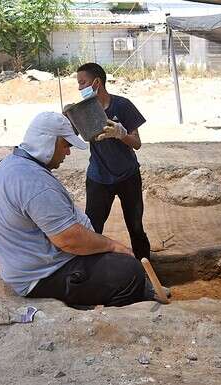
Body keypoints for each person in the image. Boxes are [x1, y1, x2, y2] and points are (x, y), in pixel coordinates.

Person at [0, 112, 158, 307]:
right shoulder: (34, 182)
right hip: (41, 276)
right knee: (129, 271)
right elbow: (69, 240)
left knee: (112, 260)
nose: (67, 153)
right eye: (66, 145)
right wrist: (114, 246)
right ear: (50, 142)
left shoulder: (14, 164)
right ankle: (109, 315)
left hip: (31, 265)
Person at [75, 62, 151, 260]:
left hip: (128, 176)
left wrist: (121, 133)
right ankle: (93, 272)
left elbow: (137, 144)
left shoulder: (122, 106)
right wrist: (67, 117)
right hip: (98, 178)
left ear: (97, 82)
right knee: (93, 228)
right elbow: (73, 136)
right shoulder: (83, 110)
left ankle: (146, 274)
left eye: (83, 83)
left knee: (136, 227)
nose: (79, 88)